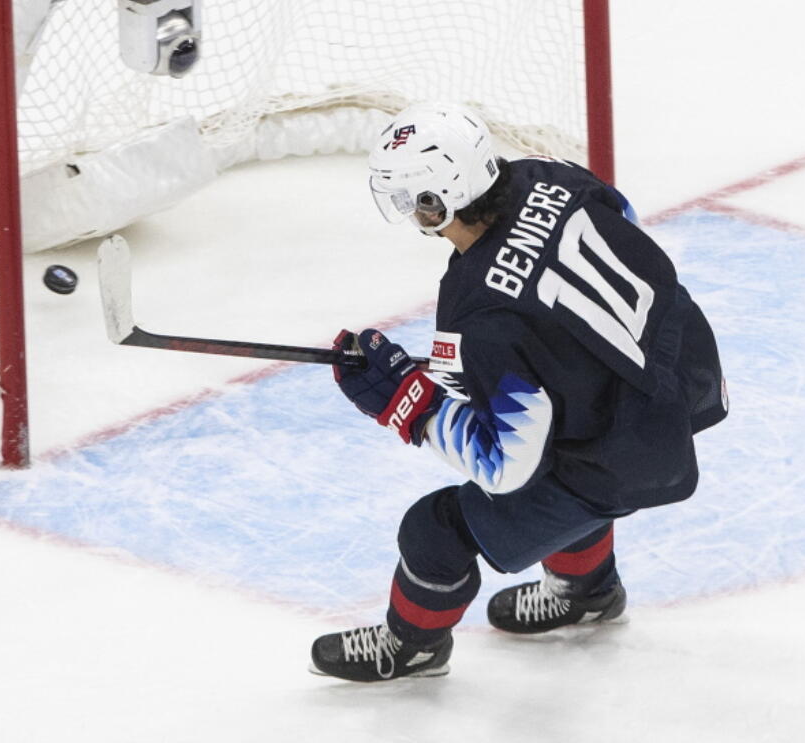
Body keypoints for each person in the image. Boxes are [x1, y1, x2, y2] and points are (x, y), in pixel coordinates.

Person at [310, 102, 728, 682]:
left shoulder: (477, 317)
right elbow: (625, 223)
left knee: (438, 528)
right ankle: (589, 595)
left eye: (410, 201)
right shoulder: (548, 173)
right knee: (572, 455)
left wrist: (408, 402)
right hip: (682, 366)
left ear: (435, 205)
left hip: (628, 449)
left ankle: (415, 646)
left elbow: (506, 466)